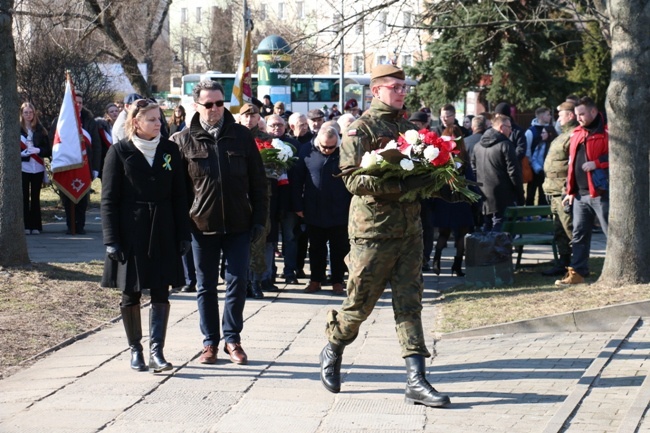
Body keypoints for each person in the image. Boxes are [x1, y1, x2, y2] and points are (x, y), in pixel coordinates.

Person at [319, 64, 451, 408]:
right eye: (394, 87)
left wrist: (437, 182)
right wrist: (400, 185)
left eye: (404, 87)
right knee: (359, 304)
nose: (401, 92)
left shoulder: (410, 130)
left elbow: (423, 171)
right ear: (376, 91)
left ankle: (416, 380)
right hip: (373, 233)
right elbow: (352, 180)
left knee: (410, 304)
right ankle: (334, 346)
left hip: (409, 231)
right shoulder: (360, 130)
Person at [171, 80, 268, 365]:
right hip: (201, 226)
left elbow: (259, 183)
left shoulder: (241, 136)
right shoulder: (183, 140)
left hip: (239, 224)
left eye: (219, 103)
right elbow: (178, 191)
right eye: (208, 104)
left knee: (238, 282)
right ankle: (210, 342)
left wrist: (260, 220)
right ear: (196, 106)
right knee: (205, 286)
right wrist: (182, 226)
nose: (215, 109)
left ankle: (232, 339)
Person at [100, 99, 191, 372]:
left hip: (163, 228)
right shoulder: (119, 152)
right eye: (151, 119)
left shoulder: (169, 150)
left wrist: (183, 233)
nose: (158, 123)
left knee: (162, 291)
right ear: (135, 122)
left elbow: (180, 195)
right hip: (131, 231)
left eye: (159, 118)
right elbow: (108, 200)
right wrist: (111, 239)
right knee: (131, 293)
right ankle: (135, 350)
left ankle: (157, 351)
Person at [293, 125, 351, 295]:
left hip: (340, 208)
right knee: (316, 247)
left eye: (331, 147)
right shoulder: (306, 151)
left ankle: (337, 281)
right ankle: (316, 280)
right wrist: (298, 205)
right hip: (313, 208)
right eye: (324, 146)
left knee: (339, 247)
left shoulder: (345, 151)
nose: (327, 150)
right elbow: (297, 180)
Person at [556, 96, 608, 285]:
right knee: (579, 234)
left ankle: (614, 270)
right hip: (579, 195)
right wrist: (570, 191)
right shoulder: (577, 132)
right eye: (576, 114)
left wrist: (597, 163)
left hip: (600, 193)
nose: (578, 118)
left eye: (582, 114)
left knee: (610, 231)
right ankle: (577, 273)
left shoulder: (607, 132)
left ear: (594, 112)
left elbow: (619, 160)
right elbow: (572, 165)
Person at [52, 90, 102, 235]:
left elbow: (97, 146)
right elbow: (53, 141)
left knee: (83, 198)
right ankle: (70, 225)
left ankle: (80, 225)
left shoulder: (89, 121)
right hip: (66, 165)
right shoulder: (60, 120)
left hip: (85, 166)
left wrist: (96, 168)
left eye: (80, 103)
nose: (78, 105)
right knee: (67, 198)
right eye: (75, 102)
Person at [431, 125, 475, 277]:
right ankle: (456, 266)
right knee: (462, 234)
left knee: (443, 234)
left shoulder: (440, 155)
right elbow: (470, 178)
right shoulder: (462, 155)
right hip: (460, 199)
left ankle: (436, 261)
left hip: (443, 199)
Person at [541, 101, 578, 276]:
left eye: (561, 115)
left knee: (569, 228)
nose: (558, 119)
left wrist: (567, 189)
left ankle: (576, 264)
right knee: (559, 229)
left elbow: (573, 164)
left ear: (570, 115)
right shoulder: (562, 135)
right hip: (553, 190)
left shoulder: (573, 135)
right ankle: (563, 262)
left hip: (563, 190)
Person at [471, 114, 525, 231]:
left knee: (488, 225)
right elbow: (514, 172)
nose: (511, 130)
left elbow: (474, 170)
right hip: (502, 195)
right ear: (501, 127)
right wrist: (520, 195)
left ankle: (486, 249)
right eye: (509, 127)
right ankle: (494, 249)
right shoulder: (506, 145)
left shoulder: (477, 146)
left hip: (484, 194)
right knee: (499, 226)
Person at [20, 102, 51, 235]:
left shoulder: (40, 129)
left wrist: (38, 150)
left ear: (34, 114)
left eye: (30, 112)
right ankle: (26, 225)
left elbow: (48, 149)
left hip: (37, 167)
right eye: (25, 112)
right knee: (24, 197)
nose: (28, 115)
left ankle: (36, 225)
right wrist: (22, 154)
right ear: (21, 114)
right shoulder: (17, 129)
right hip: (23, 167)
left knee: (35, 196)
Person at [525, 107, 553, 206]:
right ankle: (528, 214)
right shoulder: (530, 131)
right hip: (533, 166)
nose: (550, 116)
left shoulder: (551, 130)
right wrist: (531, 164)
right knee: (531, 192)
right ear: (541, 116)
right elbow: (527, 149)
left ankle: (543, 214)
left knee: (543, 193)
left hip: (547, 168)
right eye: (548, 114)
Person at [96, 103, 119, 179]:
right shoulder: (102, 125)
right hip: (106, 157)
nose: (114, 113)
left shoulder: (123, 125)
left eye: (116, 111)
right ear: (107, 114)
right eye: (111, 112)